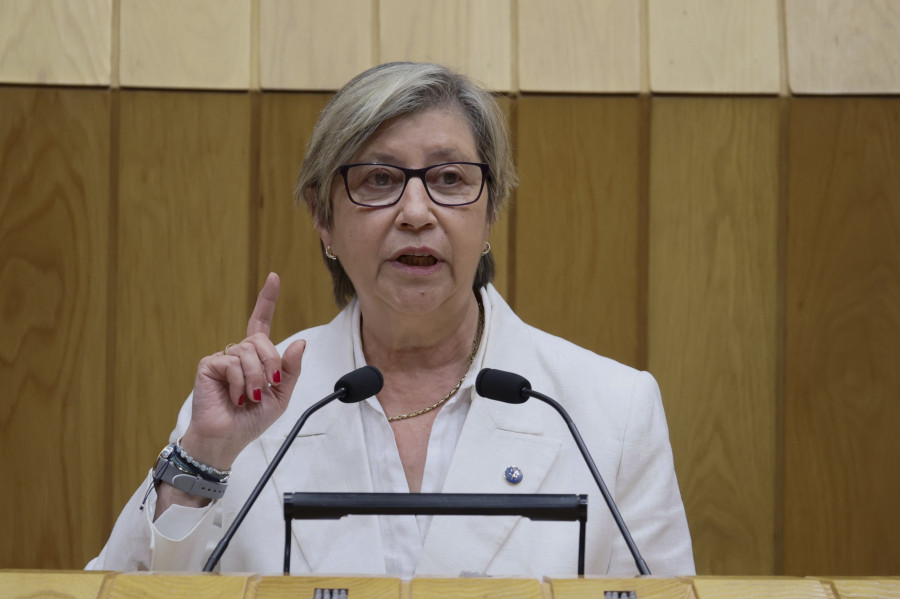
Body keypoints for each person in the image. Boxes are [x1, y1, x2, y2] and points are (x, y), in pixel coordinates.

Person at [87, 62, 694, 577]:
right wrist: (204, 457)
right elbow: (116, 589)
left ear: (489, 214)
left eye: (449, 179)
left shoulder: (612, 412)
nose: (416, 212)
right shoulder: (247, 406)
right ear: (323, 219)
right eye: (378, 180)